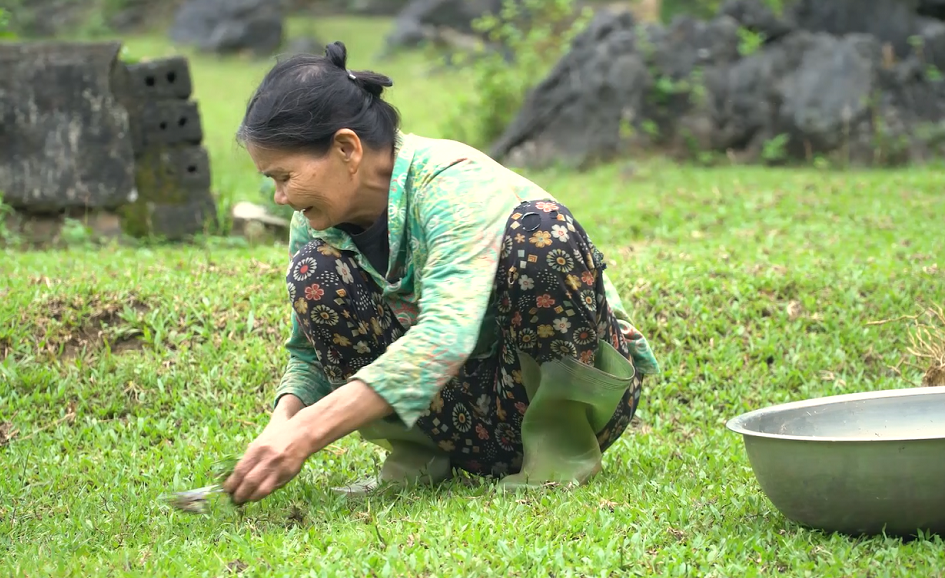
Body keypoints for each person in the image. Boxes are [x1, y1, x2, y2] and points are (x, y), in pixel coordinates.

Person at [222, 41, 660, 504]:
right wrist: (281, 425)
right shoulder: (315, 222)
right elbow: (307, 353)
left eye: (284, 177)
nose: (280, 197)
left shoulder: (451, 183)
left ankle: (559, 449)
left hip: (575, 397)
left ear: (347, 148)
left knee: (542, 233)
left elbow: (445, 335)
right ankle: (420, 458)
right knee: (314, 274)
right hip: (465, 425)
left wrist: (308, 433)